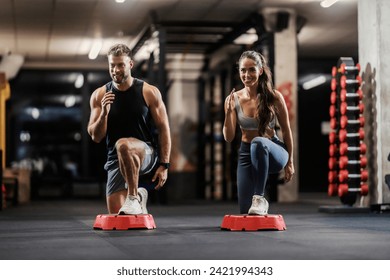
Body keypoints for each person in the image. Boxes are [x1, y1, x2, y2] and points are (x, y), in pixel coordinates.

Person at [88, 43, 171, 215]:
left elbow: (164, 129)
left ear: (130, 65)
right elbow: (96, 136)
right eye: (112, 65)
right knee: (119, 217)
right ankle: (139, 196)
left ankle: (133, 197)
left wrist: (164, 164)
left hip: (146, 154)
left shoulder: (149, 92)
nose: (116, 70)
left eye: (121, 65)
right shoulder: (99, 95)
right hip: (115, 160)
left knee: (123, 144)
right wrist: (103, 114)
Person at [223, 50, 294, 215]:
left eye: (251, 69)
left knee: (258, 142)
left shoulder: (274, 97)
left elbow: (286, 130)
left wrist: (290, 162)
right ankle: (256, 200)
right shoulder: (234, 99)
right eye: (243, 70)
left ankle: (260, 197)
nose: (247, 74)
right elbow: (229, 137)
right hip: (246, 154)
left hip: (273, 151)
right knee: (245, 212)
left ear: (260, 70)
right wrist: (228, 113)